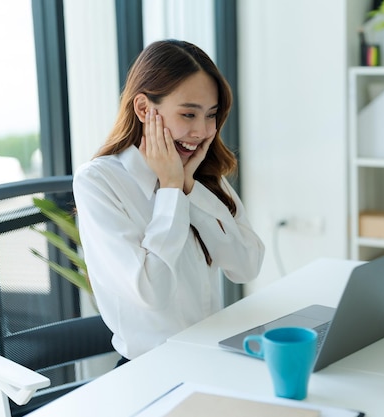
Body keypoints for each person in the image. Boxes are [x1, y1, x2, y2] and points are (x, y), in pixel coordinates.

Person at [73, 39, 265, 363]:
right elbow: (152, 291)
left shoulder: (202, 173)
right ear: (145, 109)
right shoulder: (99, 182)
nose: (202, 131)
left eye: (211, 116)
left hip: (213, 357)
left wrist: (190, 189)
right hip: (150, 369)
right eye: (188, 114)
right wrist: (172, 190)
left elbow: (247, 267)